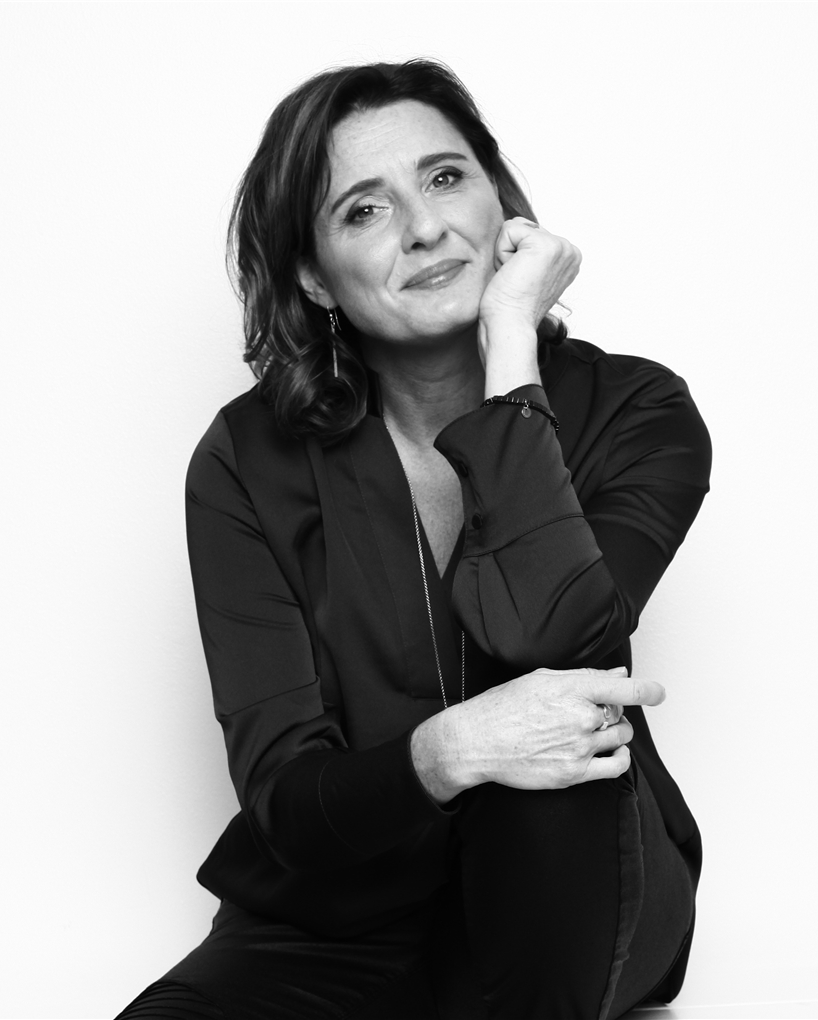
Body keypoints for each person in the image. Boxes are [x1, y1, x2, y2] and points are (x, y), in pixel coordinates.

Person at [117, 59, 711, 1020]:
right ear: (314, 277)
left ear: (499, 201)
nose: (425, 228)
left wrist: (510, 347)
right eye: (364, 209)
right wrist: (450, 750)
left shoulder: (639, 412)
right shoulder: (246, 460)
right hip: (335, 918)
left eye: (445, 177)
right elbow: (287, 799)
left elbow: (550, 636)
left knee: (553, 757)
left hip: (571, 886)